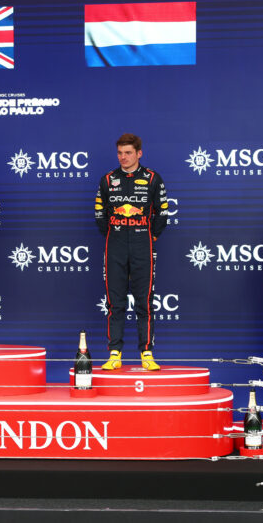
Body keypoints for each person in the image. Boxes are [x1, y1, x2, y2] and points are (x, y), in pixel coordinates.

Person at [94, 133, 168, 371]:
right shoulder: (108, 179)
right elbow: (99, 213)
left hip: (142, 244)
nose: (123, 157)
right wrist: (113, 232)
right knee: (115, 302)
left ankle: (146, 352)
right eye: (120, 153)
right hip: (115, 244)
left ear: (139, 153)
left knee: (144, 302)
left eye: (128, 153)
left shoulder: (152, 178)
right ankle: (114, 353)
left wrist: (149, 236)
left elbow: (162, 212)